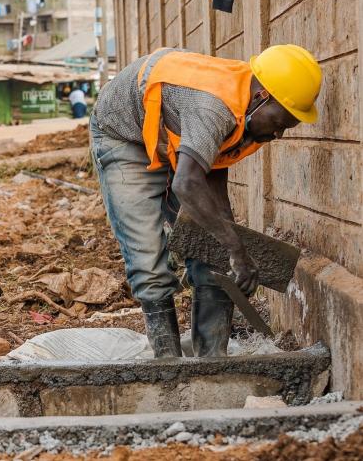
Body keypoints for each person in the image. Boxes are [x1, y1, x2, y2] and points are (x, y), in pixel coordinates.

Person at [91, 44, 322, 358]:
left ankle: (211, 360)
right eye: (279, 123)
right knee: (147, 252)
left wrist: (228, 248)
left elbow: (213, 195)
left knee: (213, 244)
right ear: (262, 97)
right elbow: (187, 183)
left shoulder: (241, 111)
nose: (278, 134)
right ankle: (168, 364)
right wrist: (236, 249)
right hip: (123, 133)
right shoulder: (215, 108)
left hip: (173, 133)